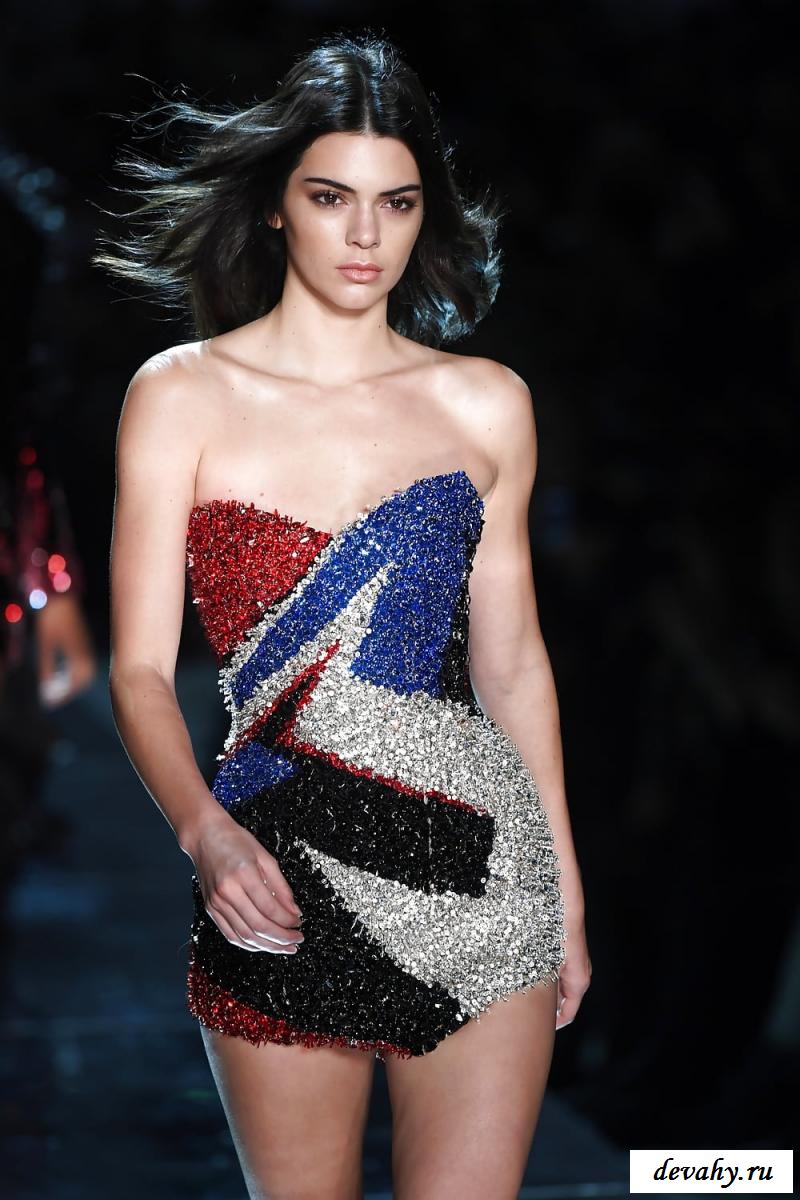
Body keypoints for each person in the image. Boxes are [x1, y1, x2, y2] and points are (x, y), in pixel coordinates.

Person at [96, 30, 591, 1200]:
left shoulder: (484, 404)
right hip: (273, 879)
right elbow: (137, 670)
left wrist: (563, 892)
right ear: (278, 205)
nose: (365, 234)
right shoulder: (180, 396)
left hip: (483, 876)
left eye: (396, 203)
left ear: (424, 216)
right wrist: (204, 835)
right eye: (331, 198)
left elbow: (513, 666)